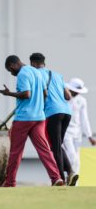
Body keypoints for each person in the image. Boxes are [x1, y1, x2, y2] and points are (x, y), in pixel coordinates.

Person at [0, 55, 63, 187]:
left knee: (15, 151)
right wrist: (38, 105)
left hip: (24, 118)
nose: (12, 74)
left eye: (10, 71)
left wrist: (9, 93)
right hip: (39, 117)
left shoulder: (22, 74)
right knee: (44, 150)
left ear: (13, 65)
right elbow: (45, 94)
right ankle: (56, 178)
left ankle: (10, 182)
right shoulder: (37, 72)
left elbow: (26, 94)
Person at [29, 53, 77, 186]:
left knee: (54, 147)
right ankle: (71, 172)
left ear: (32, 63)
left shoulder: (36, 75)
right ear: (44, 62)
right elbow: (68, 96)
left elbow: (38, 95)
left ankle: (60, 178)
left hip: (52, 112)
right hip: (67, 112)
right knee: (57, 144)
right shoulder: (57, 75)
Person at [63, 78, 96, 178]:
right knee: (71, 155)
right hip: (66, 131)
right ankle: (67, 177)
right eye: (75, 91)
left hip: (77, 133)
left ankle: (74, 183)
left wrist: (89, 136)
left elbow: (84, 118)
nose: (77, 93)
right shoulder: (63, 98)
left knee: (76, 158)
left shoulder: (82, 100)